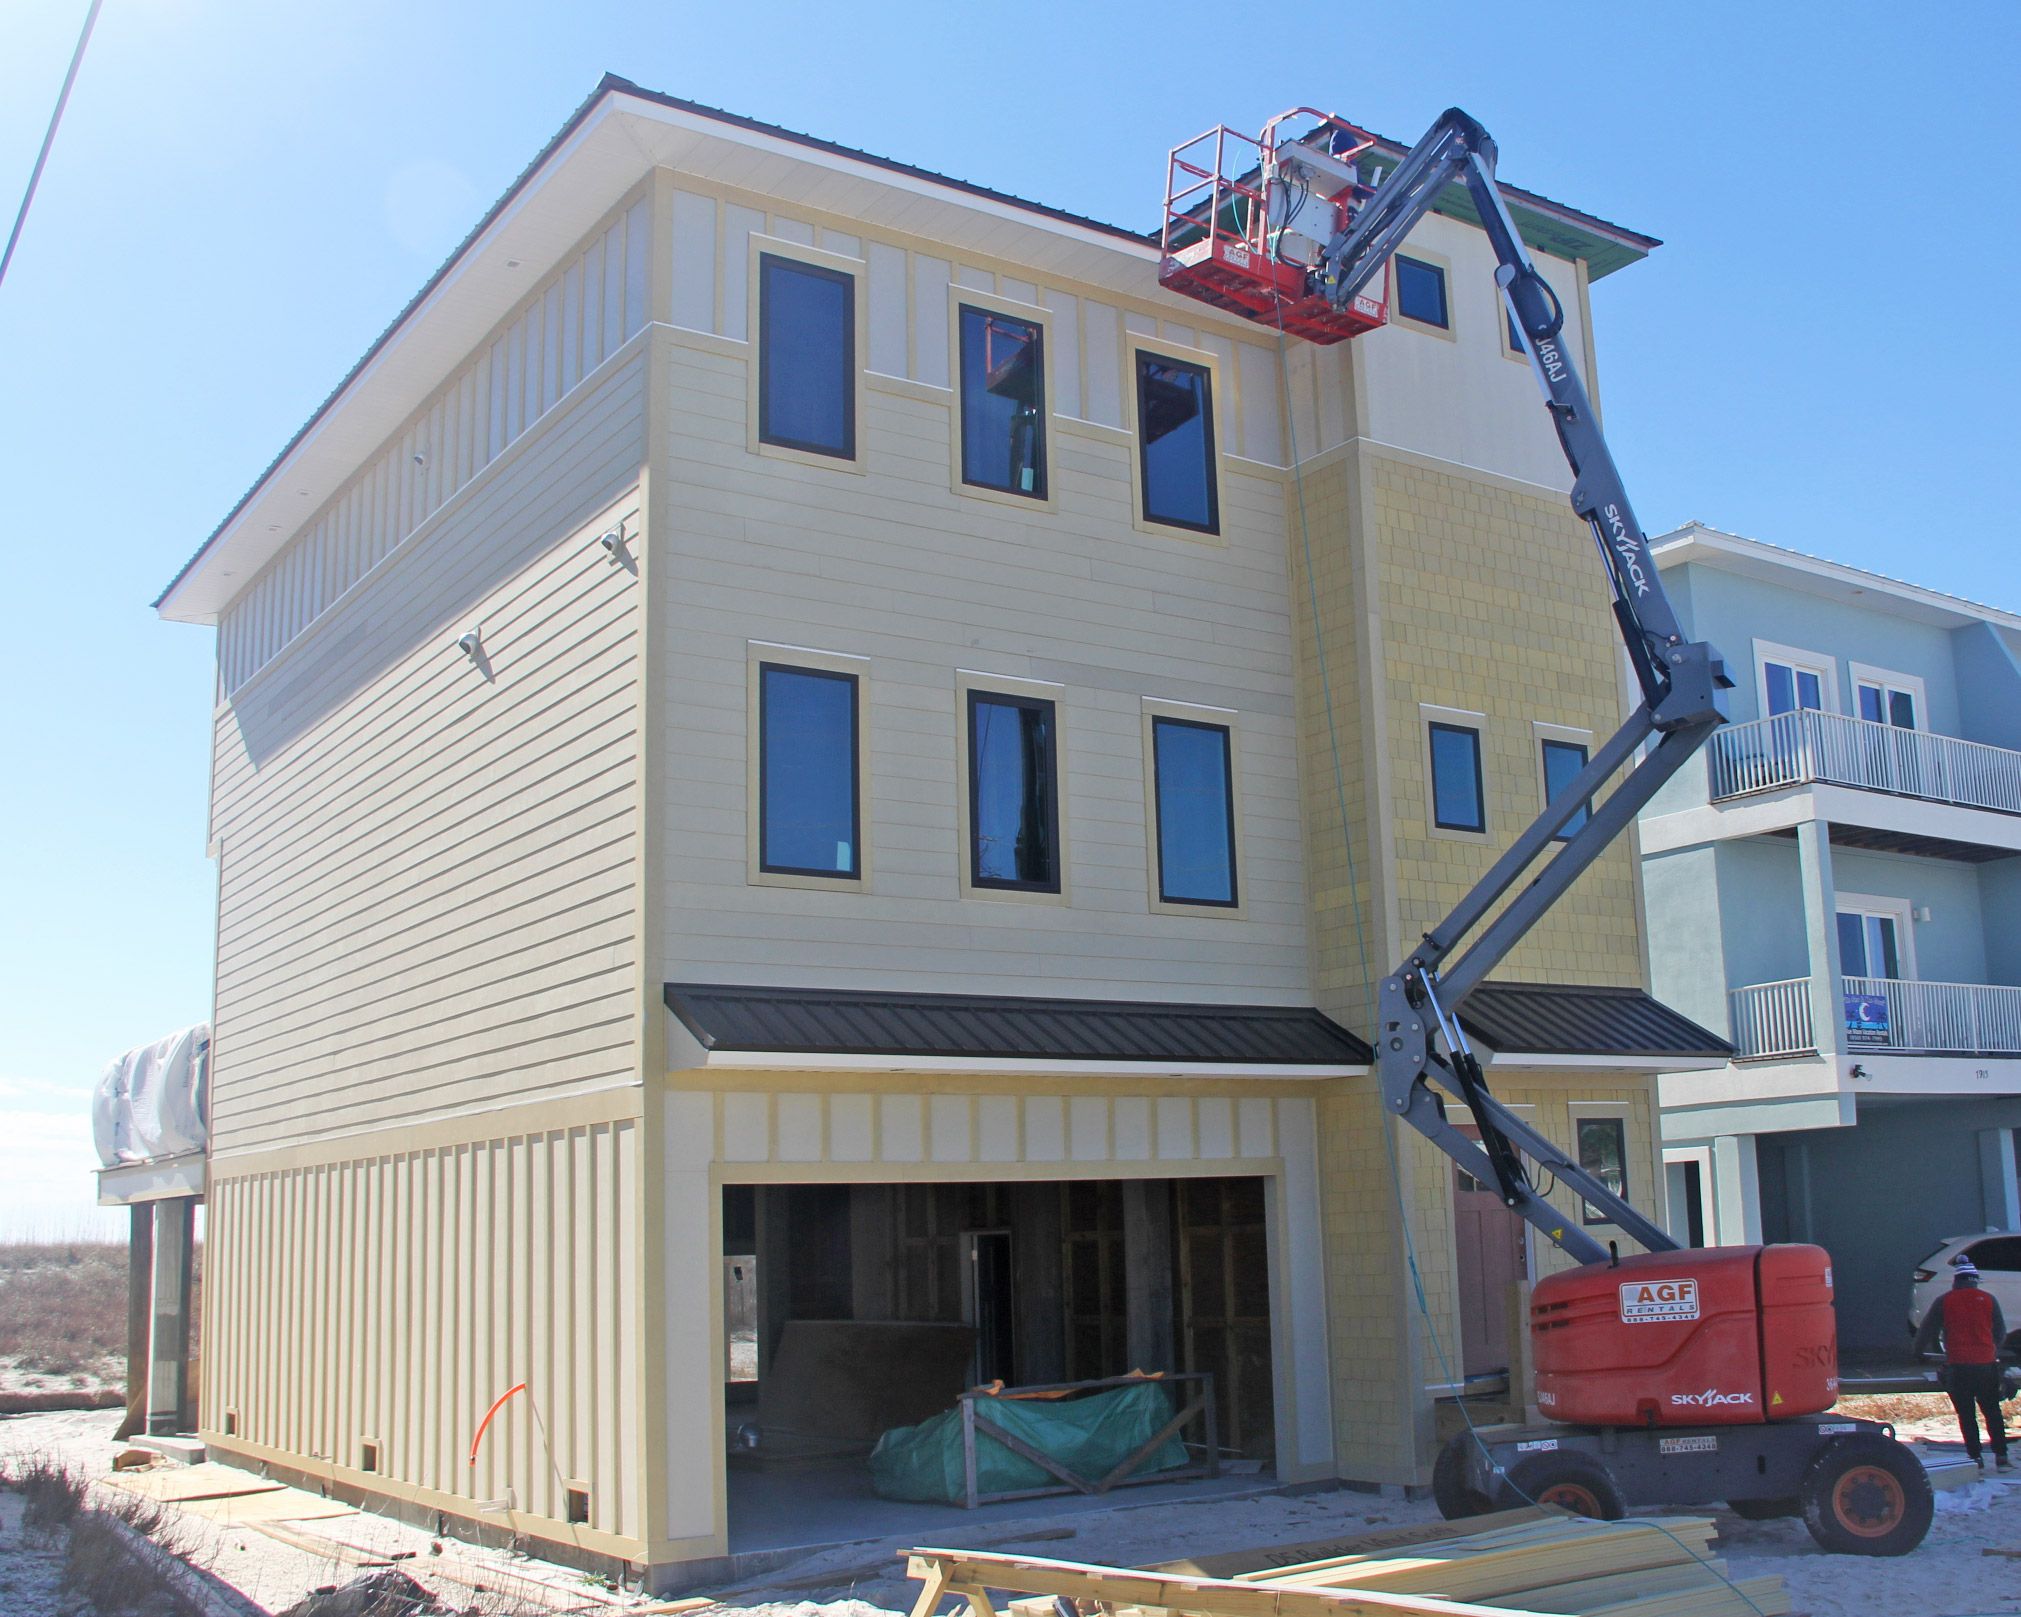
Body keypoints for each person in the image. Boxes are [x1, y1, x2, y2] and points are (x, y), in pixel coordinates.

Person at [1915, 1258, 2011, 1469]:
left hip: (1958, 1366)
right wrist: (1990, 1348)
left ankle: (1975, 1457)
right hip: (1986, 1365)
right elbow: (2001, 1333)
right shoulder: (1989, 1299)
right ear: (1975, 1280)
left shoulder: (1944, 1301)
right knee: (1992, 1411)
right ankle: (2001, 1457)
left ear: (1955, 1281)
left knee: (1967, 1414)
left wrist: (1919, 1353)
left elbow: (1927, 1330)